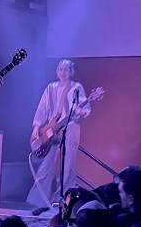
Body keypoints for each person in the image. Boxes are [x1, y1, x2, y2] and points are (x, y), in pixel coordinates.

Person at [28, 58, 93, 211]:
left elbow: (85, 108)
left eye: (66, 70)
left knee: (69, 166)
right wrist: (36, 127)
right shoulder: (50, 88)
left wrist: (81, 111)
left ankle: (64, 202)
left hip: (70, 126)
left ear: (71, 72)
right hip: (52, 129)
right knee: (46, 165)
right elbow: (42, 108)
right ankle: (39, 201)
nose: (63, 72)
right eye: (60, 69)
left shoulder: (76, 87)